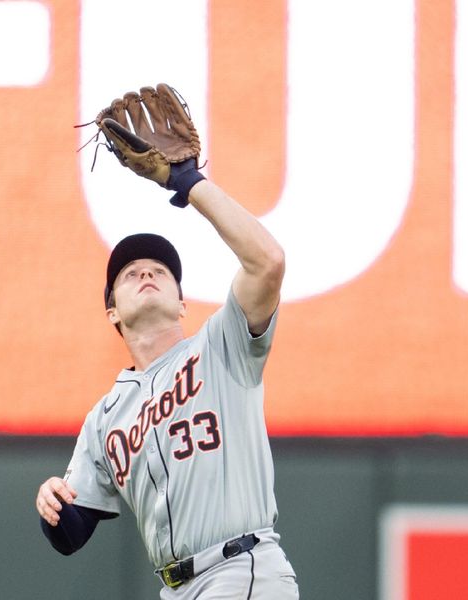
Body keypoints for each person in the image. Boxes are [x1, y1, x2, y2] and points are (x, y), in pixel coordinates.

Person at [36, 85, 299, 599]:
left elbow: (267, 262)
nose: (147, 272)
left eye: (160, 270)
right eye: (131, 273)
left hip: (241, 569)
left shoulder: (222, 349)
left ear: (182, 303)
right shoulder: (105, 419)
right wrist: (50, 501)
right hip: (177, 588)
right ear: (112, 310)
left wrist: (189, 182)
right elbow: (72, 529)